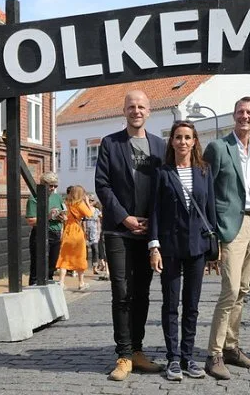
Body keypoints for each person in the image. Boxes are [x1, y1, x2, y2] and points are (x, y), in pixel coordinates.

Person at [95, 89, 166, 381]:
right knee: (122, 292)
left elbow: (166, 188)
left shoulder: (161, 146)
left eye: (141, 106)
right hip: (118, 231)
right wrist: (124, 217)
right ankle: (123, 355)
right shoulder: (110, 144)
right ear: (124, 111)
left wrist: (155, 224)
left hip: (149, 232)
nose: (136, 111)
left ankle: (137, 350)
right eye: (131, 106)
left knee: (143, 293)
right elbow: (102, 185)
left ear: (149, 111)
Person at [203, 96, 250, 380]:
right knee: (229, 291)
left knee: (243, 291)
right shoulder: (218, 147)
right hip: (231, 226)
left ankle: (232, 347)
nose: (245, 116)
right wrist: (212, 231)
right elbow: (206, 191)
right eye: (241, 112)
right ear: (234, 115)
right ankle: (214, 354)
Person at [149, 120, 216, 381]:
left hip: (197, 247)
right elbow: (154, 210)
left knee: (192, 305)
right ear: (172, 141)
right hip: (170, 247)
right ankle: (173, 358)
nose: (183, 142)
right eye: (178, 137)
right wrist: (154, 246)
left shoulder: (204, 170)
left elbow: (210, 209)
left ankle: (188, 357)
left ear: (195, 141)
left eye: (188, 137)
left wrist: (214, 247)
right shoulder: (163, 172)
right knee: (170, 304)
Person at [25, 171, 65, 286]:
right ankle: (34, 286)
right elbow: (30, 220)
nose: (52, 188)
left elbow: (63, 214)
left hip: (56, 233)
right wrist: (48, 216)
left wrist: (62, 216)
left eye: (55, 186)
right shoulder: (34, 197)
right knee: (38, 265)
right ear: (43, 184)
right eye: (50, 185)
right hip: (41, 233)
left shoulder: (58, 197)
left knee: (52, 265)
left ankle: (48, 286)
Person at [56, 185, 93, 290]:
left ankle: (61, 282)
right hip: (77, 232)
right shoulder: (80, 204)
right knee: (80, 257)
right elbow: (90, 214)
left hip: (67, 231)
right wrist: (87, 202)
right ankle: (81, 283)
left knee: (64, 257)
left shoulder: (66, 203)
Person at [83, 194, 101, 275]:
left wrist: (99, 232)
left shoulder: (97, 211)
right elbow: (83, 221)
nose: (90, 202)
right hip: (86, 232)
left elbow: (98, 221)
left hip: (94, 232)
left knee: (95, 250)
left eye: (92, 200)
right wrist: (84, 231)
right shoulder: (84, 210)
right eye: (89, 200)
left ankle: (95, 267)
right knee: (84, 251)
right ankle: (83, 267)